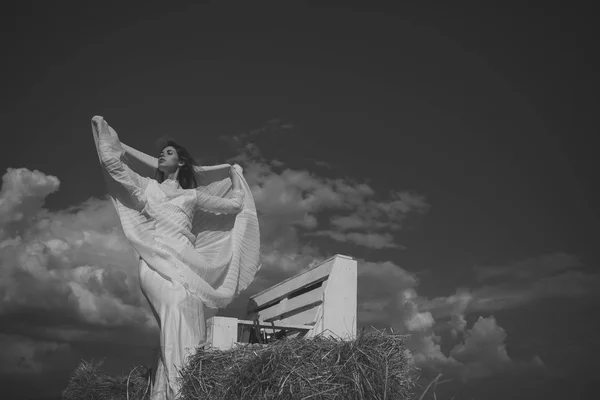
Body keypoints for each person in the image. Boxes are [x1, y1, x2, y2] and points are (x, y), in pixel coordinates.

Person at [91, 116, 260, 400]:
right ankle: (181, 390)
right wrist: (106, 135)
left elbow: (234, 205)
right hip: (156, 261)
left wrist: (236, 176)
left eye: (168, 152)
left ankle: (175, 390)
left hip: (185, 261)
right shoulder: (146, 187)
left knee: (190, 311)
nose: (161, 154)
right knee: (177, 308)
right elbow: (113, 165)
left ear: (180, 162)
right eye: (161, 152)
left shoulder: (192, 195)